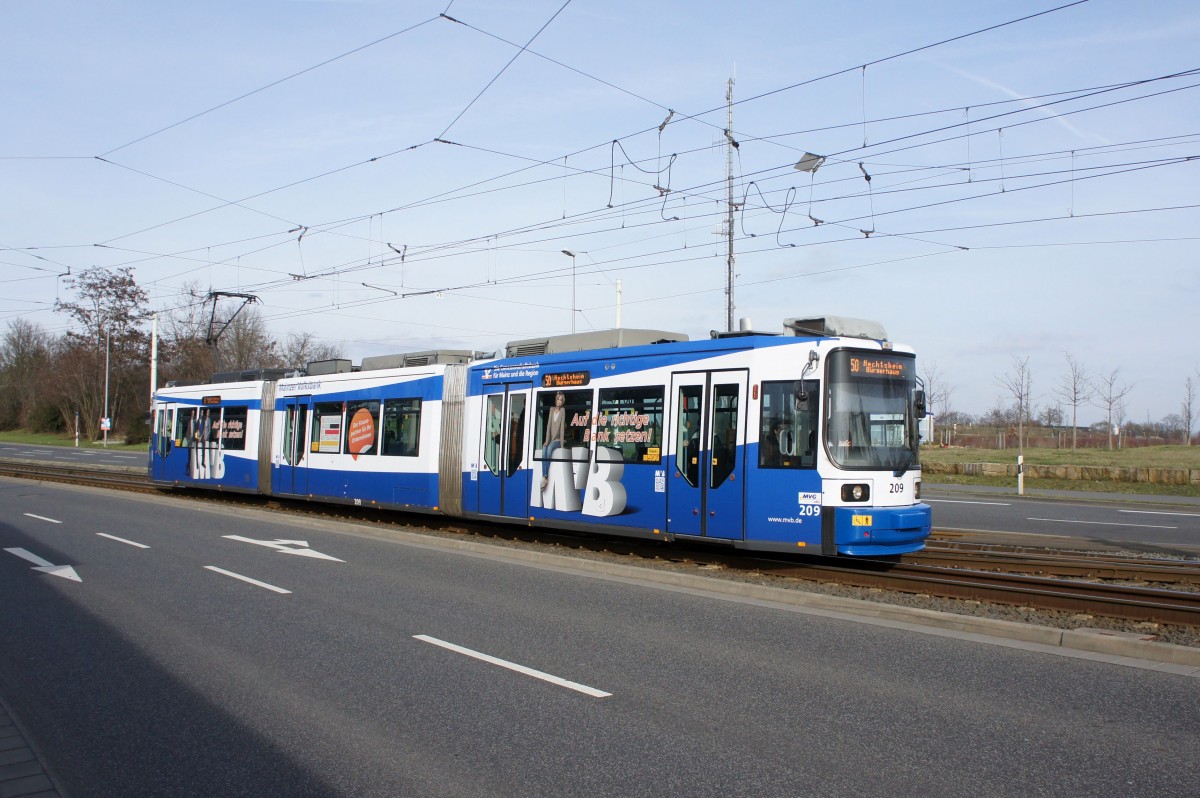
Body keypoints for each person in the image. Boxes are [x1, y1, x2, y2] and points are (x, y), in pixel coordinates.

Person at [540, 392, 566, 490]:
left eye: (561, 400)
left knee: (549, 449)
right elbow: (548, 426)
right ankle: (545, 476)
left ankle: (545, 476)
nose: (559, 402)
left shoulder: (563, 410)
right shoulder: (551, 409)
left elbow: (562, 427)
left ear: (563, 402)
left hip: (558, 440)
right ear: (556, 400)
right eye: (558, 399)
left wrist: (562, 445)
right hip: (550, 440)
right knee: (544, 449)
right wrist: (547, 440)